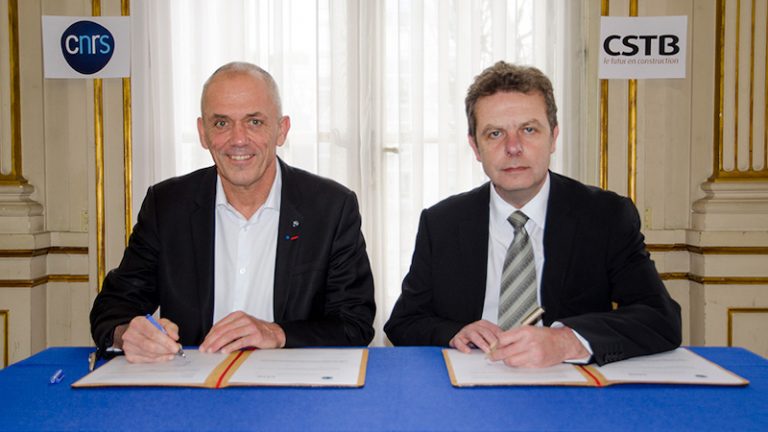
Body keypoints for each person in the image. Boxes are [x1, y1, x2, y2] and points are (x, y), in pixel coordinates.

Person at [384, 61, 681, 367]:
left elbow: (661, 318)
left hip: (567, 385)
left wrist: (567, 341)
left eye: (529, 130)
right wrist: (453, 332)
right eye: (495, 133)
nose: (513, 147)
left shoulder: (605, 216)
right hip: (471, 381)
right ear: (475, 147)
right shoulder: (442, 223)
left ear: (553, 137)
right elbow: (404, 322)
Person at [91, 62, 375, 363]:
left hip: (292, 384)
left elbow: (354, 325)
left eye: (254, 122)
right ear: (203, 133)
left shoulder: (331, 208)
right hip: (191, 383)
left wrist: (278, 334)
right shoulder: (167, 206)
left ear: (281, 130)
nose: (238, 139)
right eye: (221, 123)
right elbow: (113, 308)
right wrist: (128, 333)